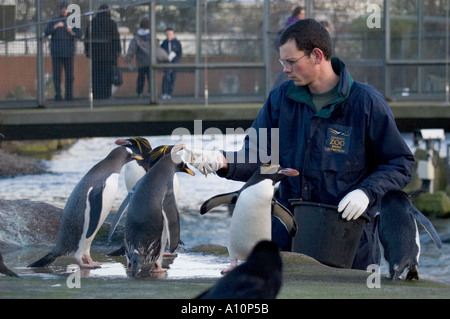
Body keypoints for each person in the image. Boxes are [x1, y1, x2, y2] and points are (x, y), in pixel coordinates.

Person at [182, 19, 415, 270]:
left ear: (317, 55)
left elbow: (399, 163)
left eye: (291, 62)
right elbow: (261, 158)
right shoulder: (281, 99)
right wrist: (221, 160)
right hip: (286, 240)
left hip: (349, 242)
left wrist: (367, 192)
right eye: (283, 62)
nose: (285, 69)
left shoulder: (366, 103)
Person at [45, 1, 82, 101]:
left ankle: (69, 95)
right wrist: (56, 27)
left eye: (65, 8)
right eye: (62, 8)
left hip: (68, 53)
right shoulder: (55, 20)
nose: (64, 10)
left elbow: (79, 34)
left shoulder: (73, 21)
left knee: (69, 76)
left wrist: (71, 32)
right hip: (56, 53)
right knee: (57, 75)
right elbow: (46, 32)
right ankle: (58, 95)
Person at [84, 3, 121, 100]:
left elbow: (87, 38)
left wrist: (87, 50)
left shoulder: (92, 23)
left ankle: (96, 95)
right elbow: (116, 38)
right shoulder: (112, 23)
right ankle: (107, 95)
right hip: (109, 55)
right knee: (107, 76)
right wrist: (118, 51)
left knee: (96, 76)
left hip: (95, 55)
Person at [125, 17, 151, 98]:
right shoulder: (152, 36)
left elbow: (132, 49)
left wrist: (128, 60)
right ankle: (151, 92)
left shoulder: (137, 37)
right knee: (151, 78)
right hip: (151, 60)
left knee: (141, 77)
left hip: (141, 60)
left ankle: (139, 92)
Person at [160, 27, 182, 100]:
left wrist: (175, 59)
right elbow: (161, 53)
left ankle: (170, 94)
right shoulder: (164, 44)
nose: (168, 35)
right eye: (167, 34)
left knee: (173, 79)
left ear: (173, 34)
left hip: (174, 64)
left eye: (170, 34)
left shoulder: (177, 43)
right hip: (166, 64)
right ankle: (164, 93)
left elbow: (179, 54)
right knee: (166, 78)